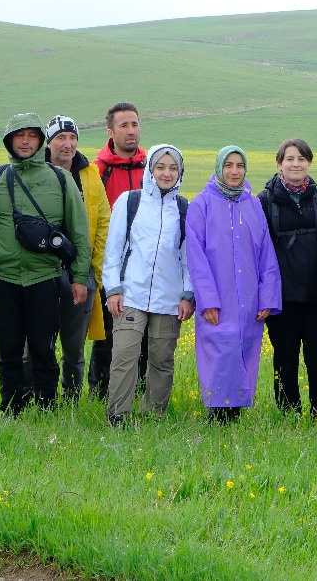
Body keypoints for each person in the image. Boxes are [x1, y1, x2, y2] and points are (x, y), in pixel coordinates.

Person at [0, 113, 91, 414]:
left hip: (45, 278)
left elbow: (79, 231)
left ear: (40, 140)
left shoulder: (60, 178)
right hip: (2, 279)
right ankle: (12, 407)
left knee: (44, 348)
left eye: (31, 134)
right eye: (19, 135)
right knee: (8, 350)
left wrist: (79, 277)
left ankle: (46, 406)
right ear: (9, 141)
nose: (25, 140)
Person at [105, 145, 197, 425]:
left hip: (169, 299)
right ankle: (118, 416)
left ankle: (154, 415)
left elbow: (187, 257)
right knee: (124, 356)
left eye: (173, 168)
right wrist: (114, 288)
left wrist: (187, 294)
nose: (166, 173)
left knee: (162, 360)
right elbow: (114, 249)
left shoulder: (184, 208)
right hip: (131, 295)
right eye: (160, 167)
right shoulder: (130, 201)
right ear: (150, 169)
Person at [188, 146, 280, 422]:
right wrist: (208, 300)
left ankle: (235, 413)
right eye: (228, 165)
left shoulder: (253, 205)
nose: (234, 171)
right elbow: (196, 258)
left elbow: (266, 254)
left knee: (244, 350)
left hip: (249, 298)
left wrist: (267, 297)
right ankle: (217, 414)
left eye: (240, 165)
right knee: (220, 351)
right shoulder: (201, 204)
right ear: (218, 167)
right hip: (218, 297)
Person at [259, 139, 317, 415]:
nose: (296, 164)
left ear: (309, 163)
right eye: (290, 159)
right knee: (285, 358)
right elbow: (258, 251)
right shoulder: (264, 201)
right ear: (279, 163)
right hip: (281, 298)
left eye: (302, 158)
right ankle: (288, 412)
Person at [43, 114, 111, 402]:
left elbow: (103, 222)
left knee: (74, 345)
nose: (67, 144)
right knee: (38, 342)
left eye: (72, 138)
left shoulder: (90, 175)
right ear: (49, 143)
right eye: (60, 138)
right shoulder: (37, 172)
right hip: (43, 272)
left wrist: (95, 272)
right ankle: (40, 395)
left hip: (80, 273)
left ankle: (70, 399)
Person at [90, 101, 145, 397]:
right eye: (124, 125)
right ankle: (100, 390)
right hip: (110, 265)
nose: (131, 131)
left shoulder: (153, 166)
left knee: (146, 332)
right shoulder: (97, 171)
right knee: (108, 333)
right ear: (110, 131)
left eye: (134, 124)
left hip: (147, 266)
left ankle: (142, 388)